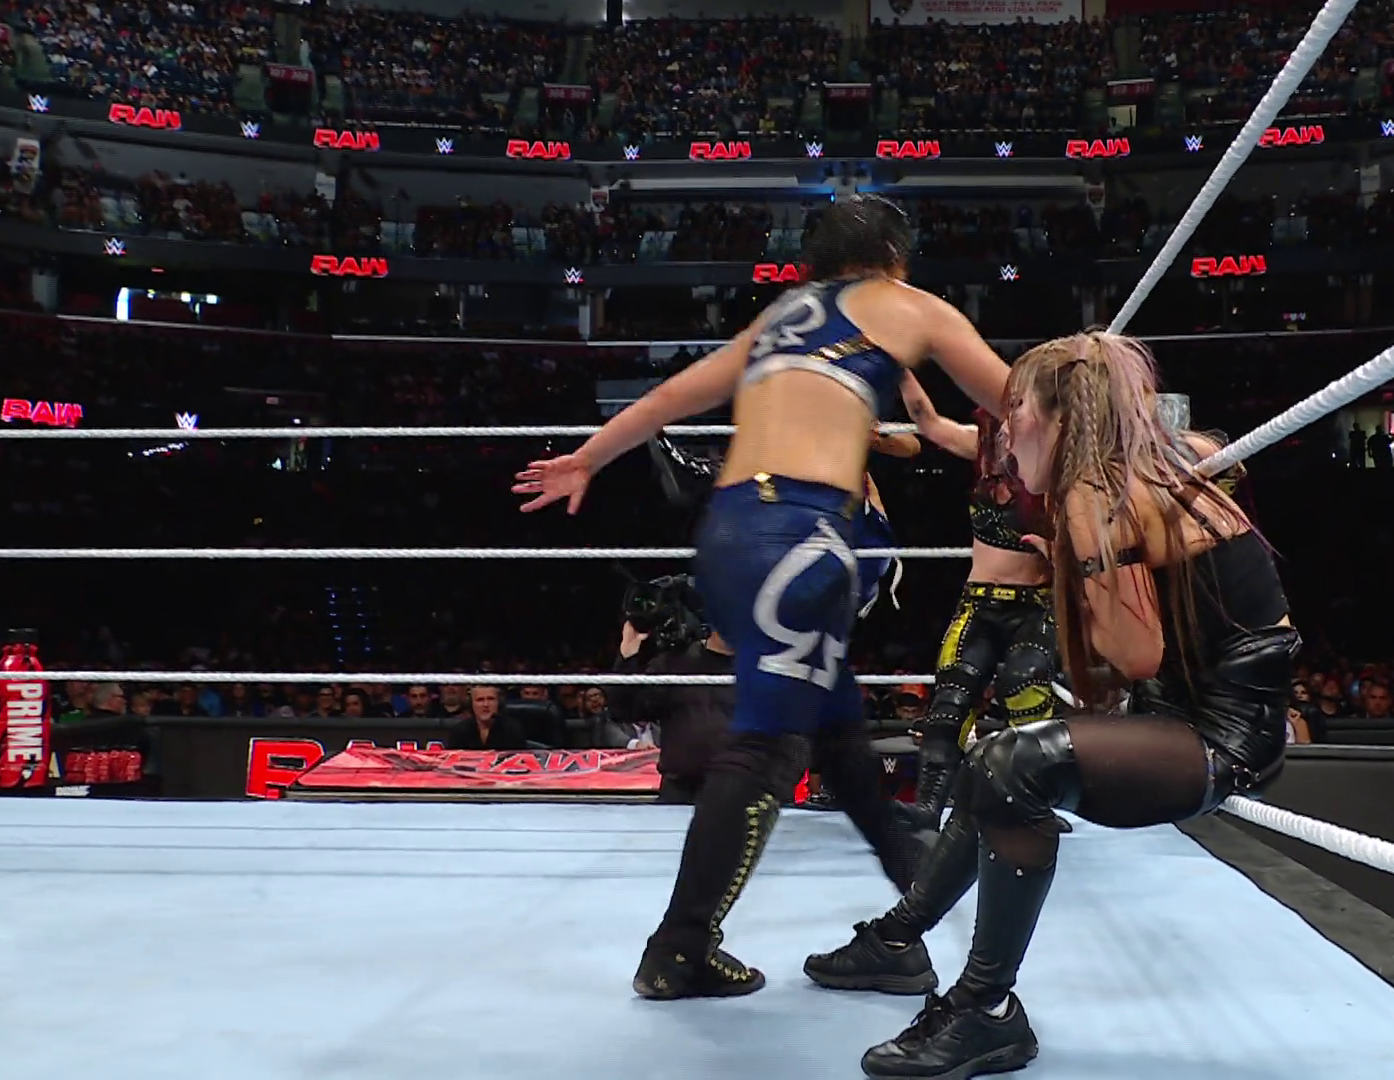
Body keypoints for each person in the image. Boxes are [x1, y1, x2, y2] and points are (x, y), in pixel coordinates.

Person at [511, 194, 1012, 1001]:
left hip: (730, 532)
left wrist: (587, 459)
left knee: (839, 735)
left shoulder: (781, 318)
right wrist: (1122, 431)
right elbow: (1018, 400)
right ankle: (680, 947)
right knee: (769, 748)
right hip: (800, 540)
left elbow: (671, 399)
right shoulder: (905, 304)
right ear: (895, 257)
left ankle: (901, 934)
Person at [804, 330, 1299, 1080]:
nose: (1003, 431)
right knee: (992, 764)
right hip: (1179, 715)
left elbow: (1133, 654)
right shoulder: (1119, 476)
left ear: (1059, 417)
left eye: (1015, 410)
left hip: (1220, 739)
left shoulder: (1096, 492)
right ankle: (899, 940)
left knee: (1010, 765)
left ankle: (983, 1007)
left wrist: (1082, 559)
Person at [897, 378, 1060, 831]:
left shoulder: (1057, 462)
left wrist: (1057, 550)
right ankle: (929, 806)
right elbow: (927, 421)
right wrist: (900, 367)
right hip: (979, 602)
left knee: (1027, 691)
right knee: (950, 700)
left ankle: (1034, 807)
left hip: (1034, 605)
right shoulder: (982, 449)